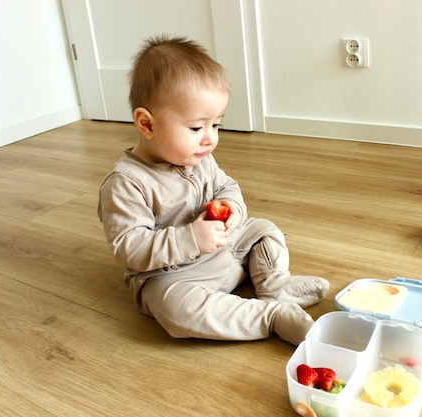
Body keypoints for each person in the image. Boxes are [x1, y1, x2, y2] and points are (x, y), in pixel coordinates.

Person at [97, 35, 328, 345]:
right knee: (175, 310)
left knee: (264, 229)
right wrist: (189, 238)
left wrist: (231, 207)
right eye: (197, 127)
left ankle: (274, 284)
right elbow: (129, 246)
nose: (210, 138)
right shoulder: (126, 183)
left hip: (225, 249)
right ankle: (271, 315)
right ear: (147, 124)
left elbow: (225, 186)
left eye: (216, 125)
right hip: (174, 276)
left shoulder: (198, 156)